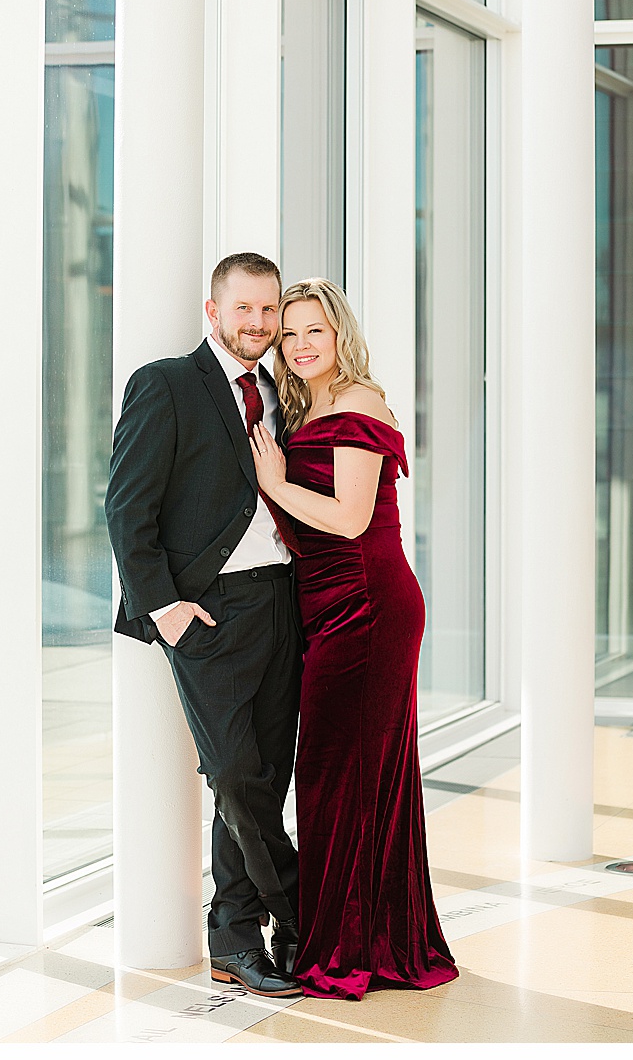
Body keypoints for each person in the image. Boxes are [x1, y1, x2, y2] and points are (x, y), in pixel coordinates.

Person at [247, 277, 457, 1000]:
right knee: (355, 777)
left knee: (339, 777)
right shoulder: (308, 407)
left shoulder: (360, 401)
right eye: (291, 334)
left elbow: (348, 519)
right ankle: (374, 940)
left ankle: (344, 951)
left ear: (341, 335)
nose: (302, 346)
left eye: (315, 331)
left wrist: (274, 480)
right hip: (329, 606)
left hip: (368, 606)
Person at [105, 251, 305, 998]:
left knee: (266, 776)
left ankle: (234, 934)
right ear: (213, 312)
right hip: (209, 613)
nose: (258, 324)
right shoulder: (166, 384)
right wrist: (168, 612)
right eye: (244, 309)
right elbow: (128, 508)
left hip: (285, 603)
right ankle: (294, 914)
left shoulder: (287, 388)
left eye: (268, 310)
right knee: (233, 773)